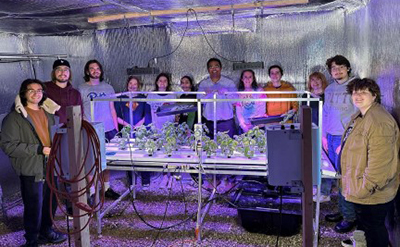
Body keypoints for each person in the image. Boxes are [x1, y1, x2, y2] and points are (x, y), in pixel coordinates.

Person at [1, 79, 67, 247]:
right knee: (33, 206)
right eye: (31, 90)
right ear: (23, 93)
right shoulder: (14, 118)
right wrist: (38, 149)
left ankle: (47, 232)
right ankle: (31, 240)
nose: (36, 93)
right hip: (32, 169)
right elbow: (9, 147)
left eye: (39, 90)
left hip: (51, 166)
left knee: (50, 203)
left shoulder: (49, 115)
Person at [340, 78, 399, 247]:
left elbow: (380, 163)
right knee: (367, 225)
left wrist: (364, 188)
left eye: (363, 92)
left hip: (372, 193)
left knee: (374, 229)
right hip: (363, 188)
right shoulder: (362, 115)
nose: (358, 96)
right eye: (355, 92)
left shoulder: (378, 122)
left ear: (374, 96)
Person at [323, 55, 358, 233]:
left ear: (348, 68)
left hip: (345, 137)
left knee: (346, 178)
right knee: (337, 177)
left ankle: (350, 217)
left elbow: (360, 116)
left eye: (341, 67)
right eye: (333, 68)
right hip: (330, 136)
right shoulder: (329, 89)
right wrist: (323, 136)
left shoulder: (356, 86)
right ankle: (342, 210)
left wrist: (348, 139)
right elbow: (326, 113)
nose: (337, 71)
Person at [78, 59, 120, 200]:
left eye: (98, 68)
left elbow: (112, 109)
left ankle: (106, 188)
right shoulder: (82, 89)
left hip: (108, 129)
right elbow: (80, 111)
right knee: (92, 162)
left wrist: (116, 129)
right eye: (92, 68)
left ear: (101, 71)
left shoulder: (108, 88)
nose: (95, 70)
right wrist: (85, 128)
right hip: (92, 129)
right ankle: (91, 191)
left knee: (106, 161)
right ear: (87, 71)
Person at [115, 76, 151, 187]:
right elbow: (116, 116)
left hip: (140, 131)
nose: (132, 86)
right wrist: (127, 126)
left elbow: (147, 115)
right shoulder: (120, 98)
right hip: (126, 130)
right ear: (127, 84)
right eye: (130, 83)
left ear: (138, 85)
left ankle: (145, 180)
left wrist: (137, 126)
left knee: (143, 155)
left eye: (135, 84)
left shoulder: (143, 98)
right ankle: (131, 181)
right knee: (129, 156)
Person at [197, 58, 237, 139]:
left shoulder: (229, 83)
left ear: (221, 68)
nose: (214, 69)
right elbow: (199, 100)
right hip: (208, 122)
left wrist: (226, 93)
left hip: (226, 122)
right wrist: (206, 94)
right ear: (208, 70)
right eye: (211, 67)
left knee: (226, 148)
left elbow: (235, 100)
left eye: (216, 66)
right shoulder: (204, 84)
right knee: (208, 148)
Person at [44, 59, 83, 124]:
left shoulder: (76, 94)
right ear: (54, 72)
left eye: (65, 70)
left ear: (69, 73)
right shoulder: (44, 89)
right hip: (50, 131)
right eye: (59, 70)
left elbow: (79, 115)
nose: (62, 72)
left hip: (70, 131)